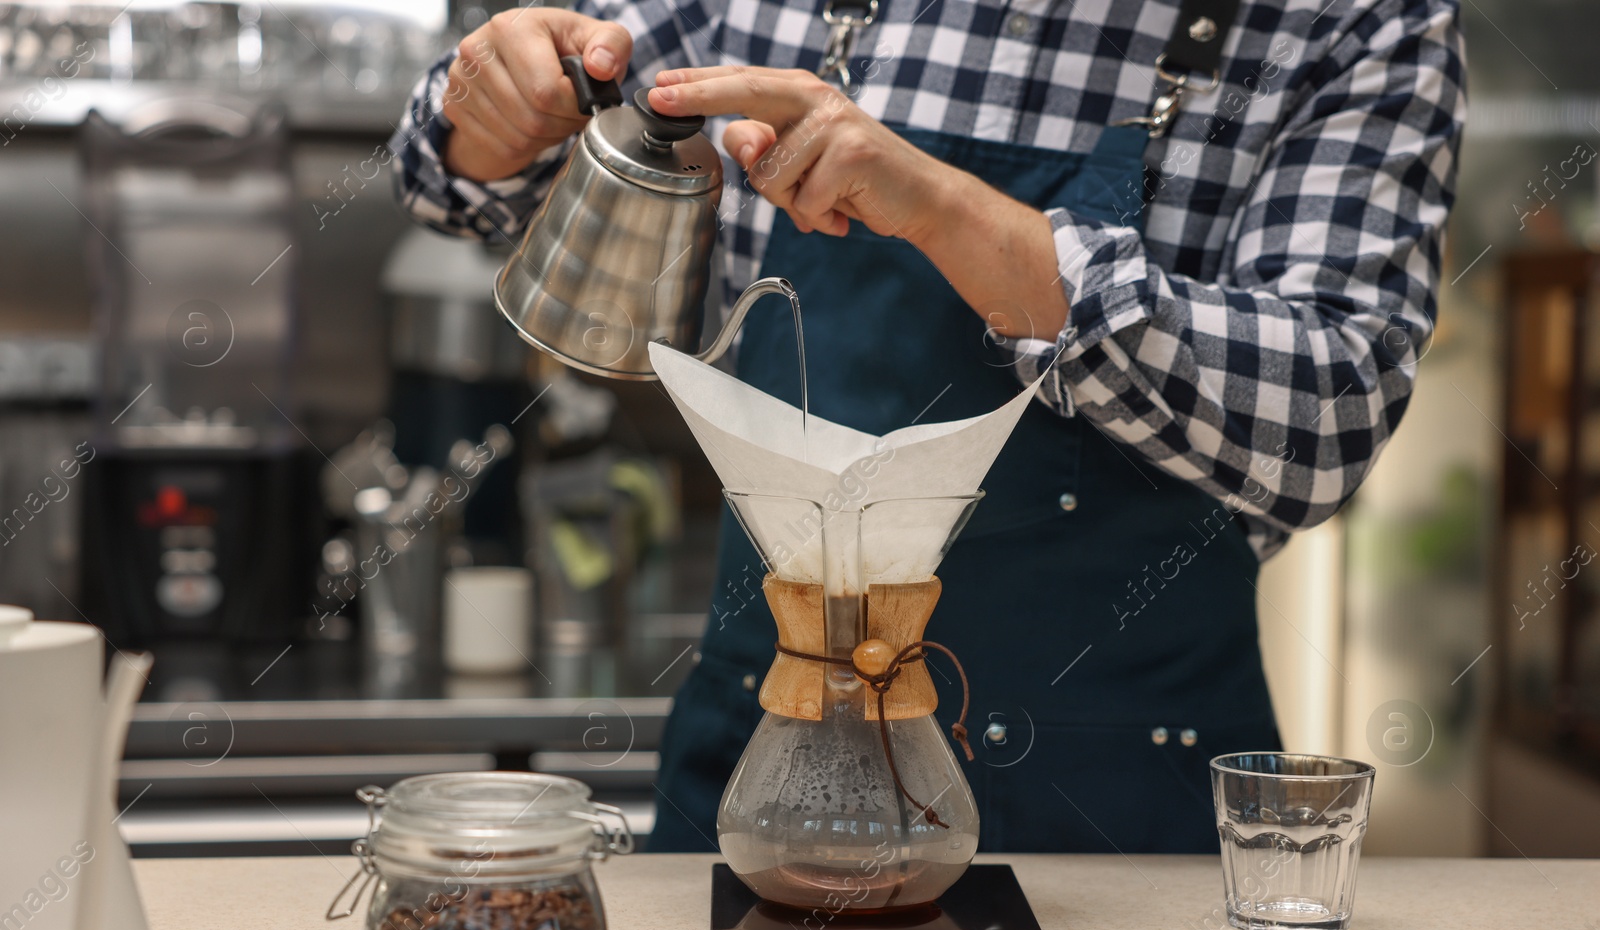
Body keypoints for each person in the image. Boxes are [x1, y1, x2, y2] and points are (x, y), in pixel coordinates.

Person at [390, 0, 1465, 852]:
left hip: (1125, 811)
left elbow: (1329, 416)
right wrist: (489, 114)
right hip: (766, 770)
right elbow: (468, 179)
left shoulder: (1347, 18)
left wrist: (954, 220)